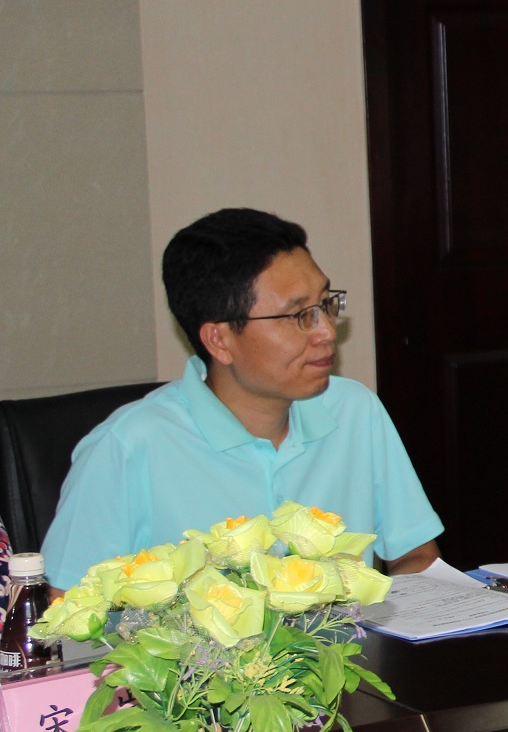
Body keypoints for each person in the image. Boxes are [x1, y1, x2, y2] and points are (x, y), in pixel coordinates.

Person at [43, 209, 443, 586]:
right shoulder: (128, 448)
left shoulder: (354, 411)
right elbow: (68, 606)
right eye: (298, 315)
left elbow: (416, 556)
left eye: (325, 304)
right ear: (219, 340)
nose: (326, 331)